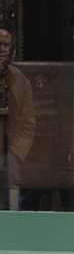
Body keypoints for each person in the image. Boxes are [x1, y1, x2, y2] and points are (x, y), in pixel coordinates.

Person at [0, 26, 32, 210]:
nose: (1, 49)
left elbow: (27, 124)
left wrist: (14, 156)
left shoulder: (19, 80)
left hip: (7, 160)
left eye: (6, 45)